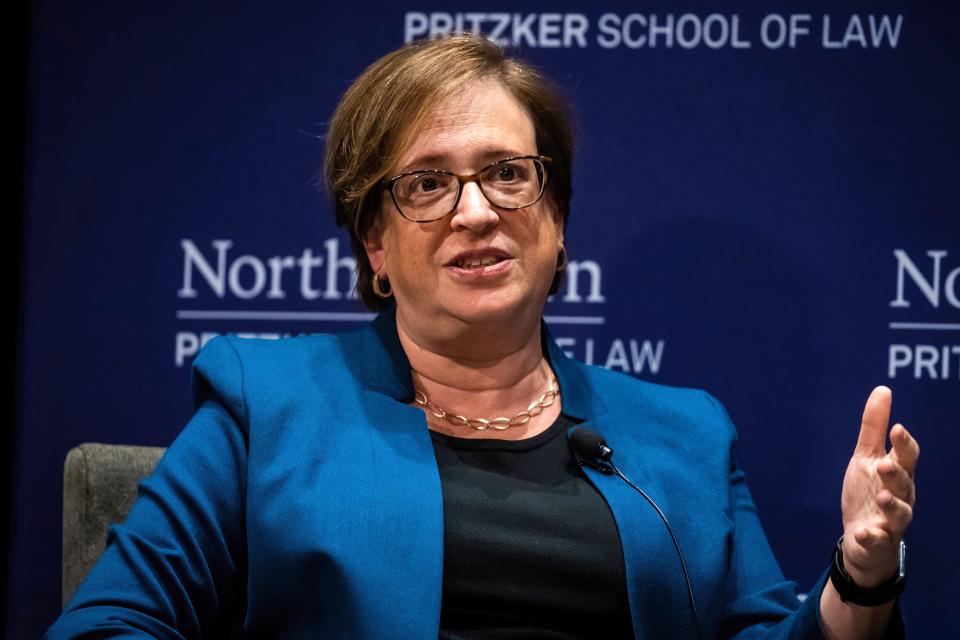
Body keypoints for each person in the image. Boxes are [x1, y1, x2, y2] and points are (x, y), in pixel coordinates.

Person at [47, 35, 918, 639]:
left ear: (558, 218)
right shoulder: (268, 402)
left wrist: (860, 574)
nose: (476, 211)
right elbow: (110, 622)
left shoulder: (684, 434)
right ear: (375, 245)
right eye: (427, 183)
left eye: (508, 173)